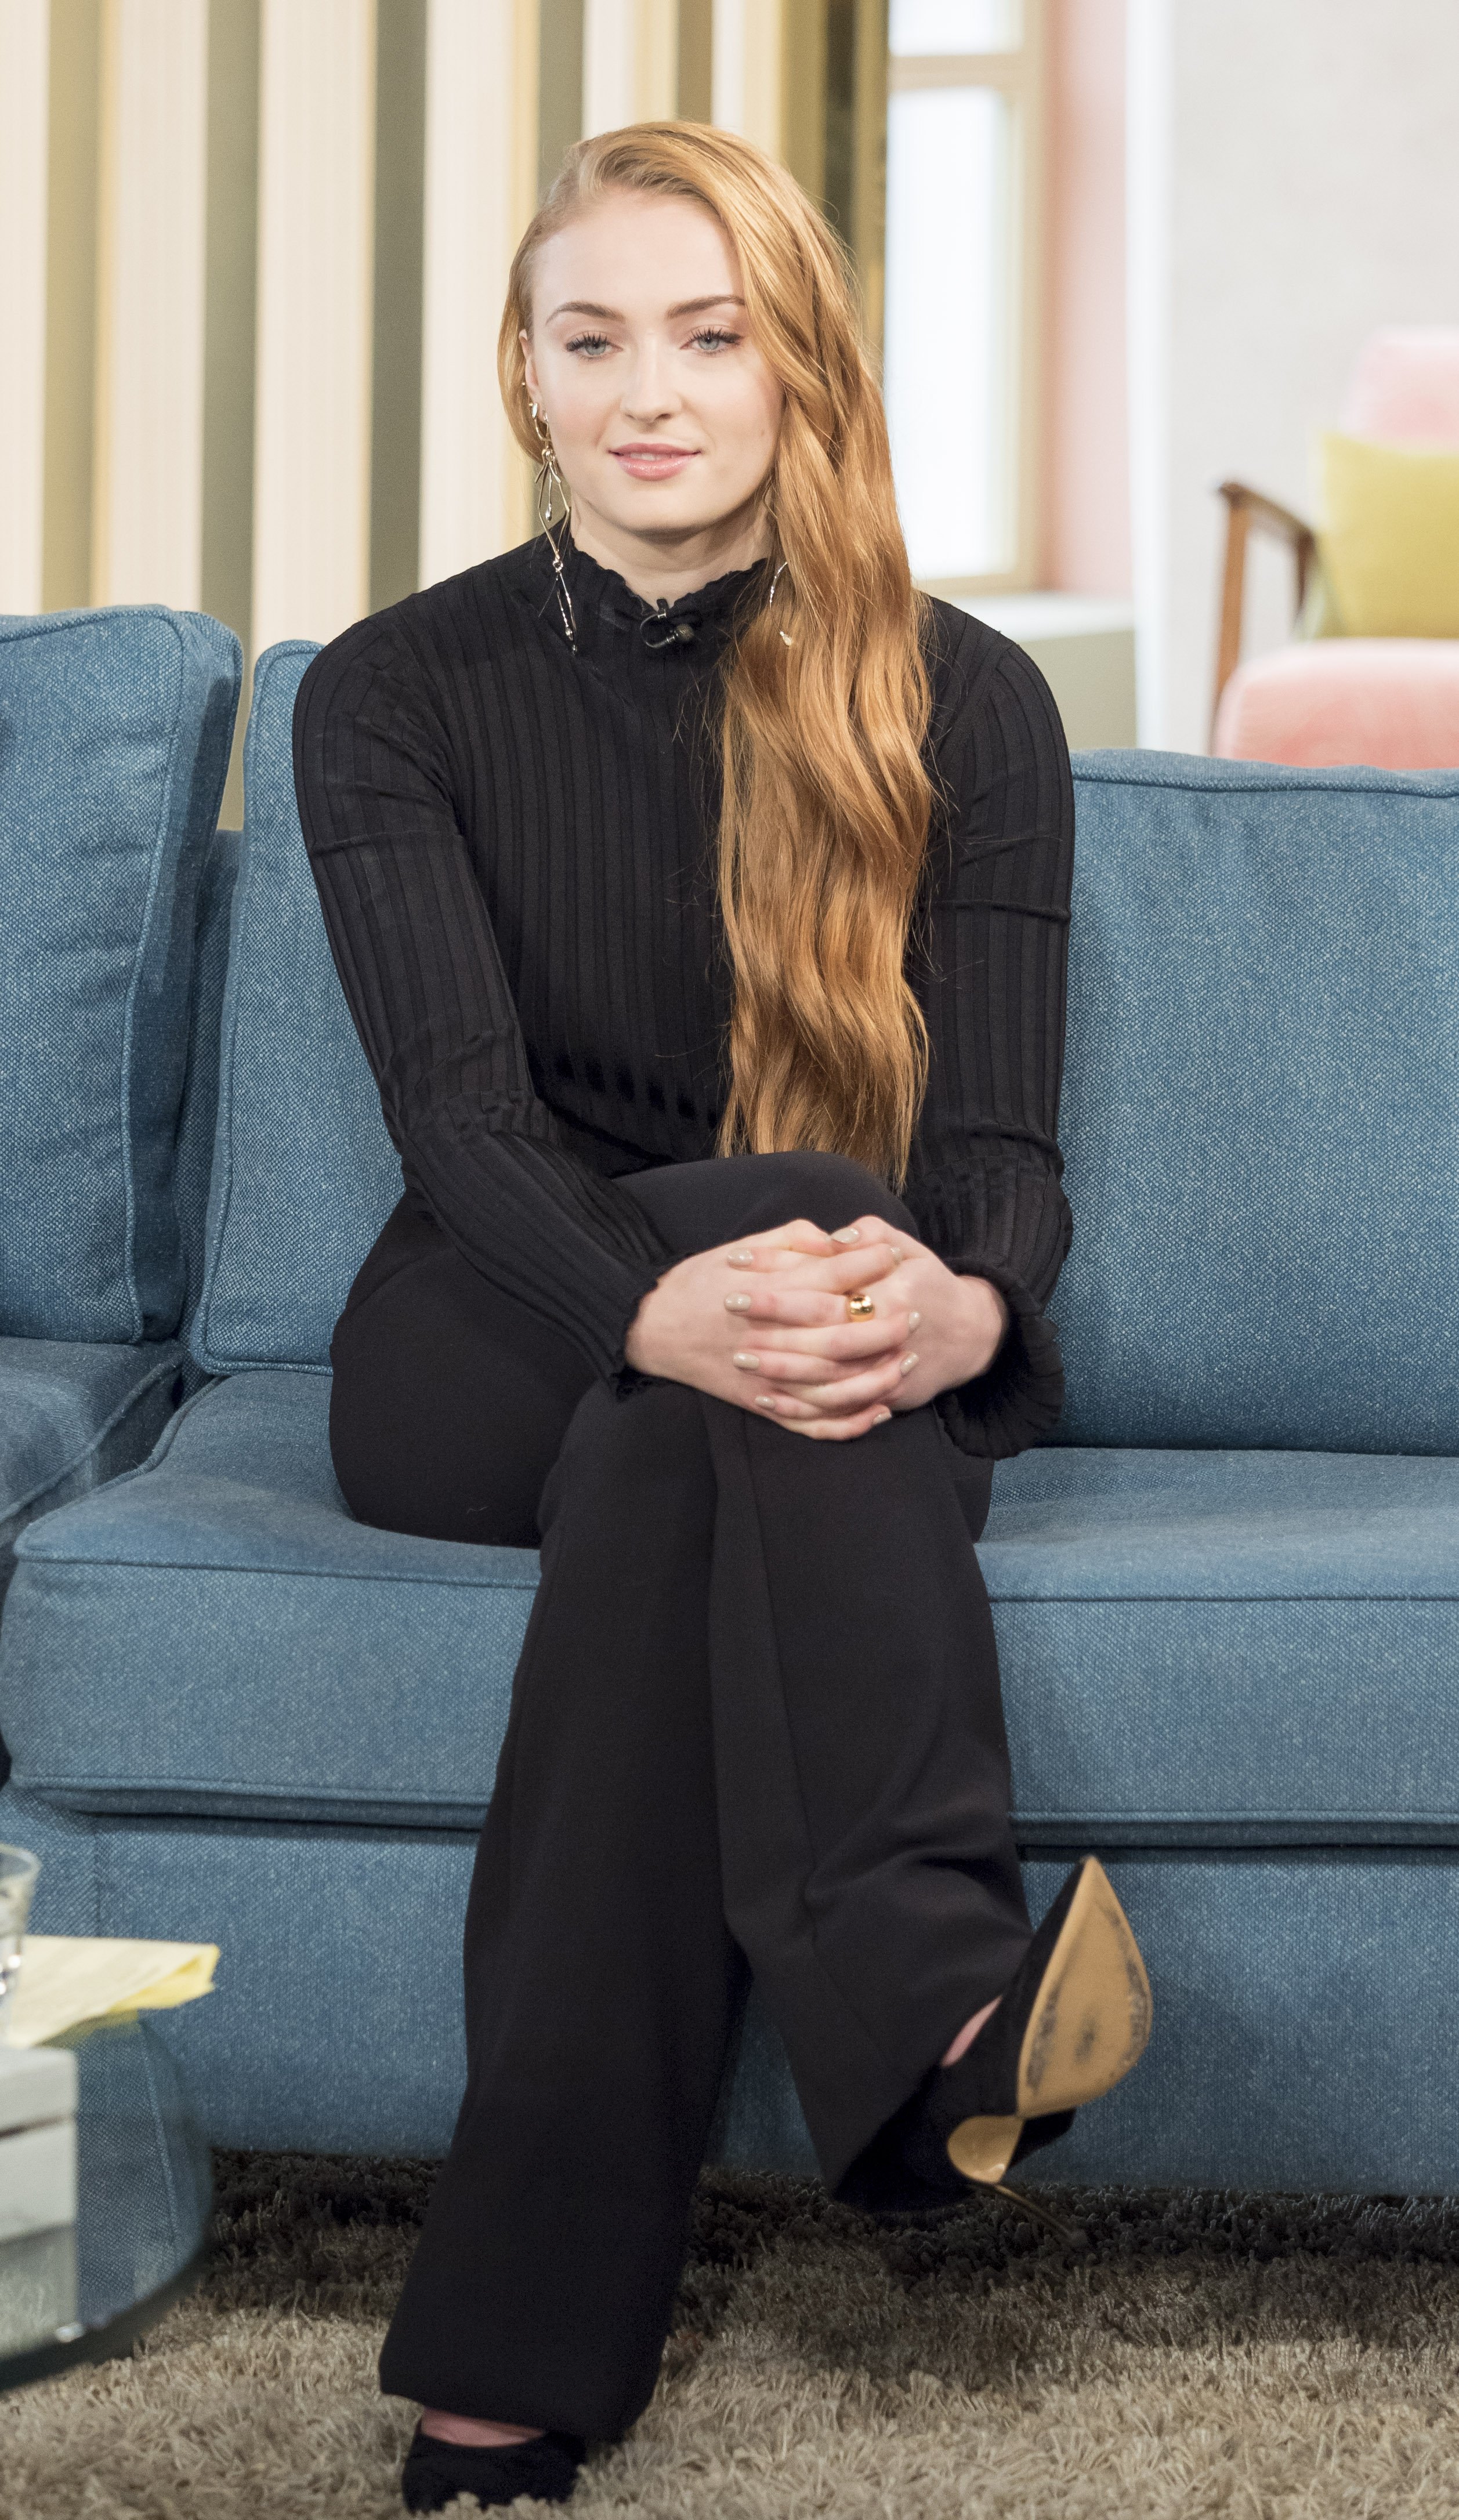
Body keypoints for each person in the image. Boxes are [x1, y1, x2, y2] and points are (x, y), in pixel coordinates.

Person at [293, 120, 1152, 2517]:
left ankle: (500, 2380)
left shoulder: (960, 696)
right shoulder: (391, 689)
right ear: (525, 376)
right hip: (483, 1331)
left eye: (707, 334)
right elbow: (462, 1124)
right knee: (778, 1234)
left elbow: (999, 1152)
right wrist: (652, 1302)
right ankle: (933, 1987)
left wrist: (966, 1308)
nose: (649, 392)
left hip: (796, 1370)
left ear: (799, 371)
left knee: (718, 1404)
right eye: (592, 340)